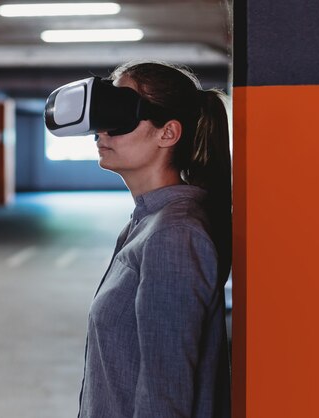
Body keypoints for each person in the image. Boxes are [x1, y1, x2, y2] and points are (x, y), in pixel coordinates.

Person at [78, 61, 232, 418]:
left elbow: (166, 392)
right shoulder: (147, 221)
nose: (102, 132)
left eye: (121, 116)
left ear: (168, 133)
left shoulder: (174, 234)